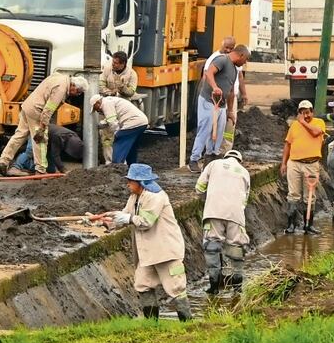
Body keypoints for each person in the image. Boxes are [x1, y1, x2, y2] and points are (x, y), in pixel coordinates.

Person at [106, 163, 192, 321]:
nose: (128, 184)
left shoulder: (155, 197)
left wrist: (128, 218)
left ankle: (187, 324)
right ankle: (151, 325)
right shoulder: (135, 197)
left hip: (165, 251)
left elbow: (145, 221)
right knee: (143, 284)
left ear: (141, 182)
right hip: (147, 252)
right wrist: (106, 221)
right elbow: (125, 214)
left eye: (131, 181)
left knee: (175, 288)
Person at [0, 73, 87, 175]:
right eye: (78, 92)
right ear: (74, 85)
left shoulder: (59, 77)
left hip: (28, 106)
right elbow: (48, 109)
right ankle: (41, 170)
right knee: (41, 140)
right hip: (36, 111)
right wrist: (43, 126)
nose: (77, 95)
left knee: (19, 135)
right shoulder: (61, 89)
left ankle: (3, 161)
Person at [195, 149, 250, 294]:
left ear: (225, 157)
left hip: (213, 211)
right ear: (239, 160)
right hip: (235, 214)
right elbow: (245, 200)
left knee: (212, 246)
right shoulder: (244, 172)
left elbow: (199, 188)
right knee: (236, 248)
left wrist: (206, 198)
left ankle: (214, 287)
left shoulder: (214, 164)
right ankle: (237, 288)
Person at [189, 44, 250, 172]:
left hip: (222, 105)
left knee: (218, 133)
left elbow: (232, 92)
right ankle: (194, 160)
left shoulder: (234, 70)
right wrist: (215, 87)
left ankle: (211, 158)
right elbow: (209, 73)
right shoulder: (222, 60)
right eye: (245, 60)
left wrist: (230, 111)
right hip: (209, 100)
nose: (245, 63)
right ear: (241, 55)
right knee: (205, 129)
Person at [280, 99, 326, 235]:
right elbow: (287, 144)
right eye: (302, 113)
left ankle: (308, 225)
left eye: (308, 113)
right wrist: (283, 163)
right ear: (299, 113)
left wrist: (303, 122)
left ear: (312, 112)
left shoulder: (319, 123)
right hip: (294, 163)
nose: (306, 116)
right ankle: (291, 225)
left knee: (309, 196)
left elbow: (316, 132)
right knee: (293, 194)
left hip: (311, 164)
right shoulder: (294, 126)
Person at [204, 37, 249, 154]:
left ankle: (225, 150)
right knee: (215, 125)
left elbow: (239, 77)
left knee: (229, 126)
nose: (228, 50)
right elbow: (207, 75)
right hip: (217, 99)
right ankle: (212, 150)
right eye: (226, 47)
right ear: (222, 45)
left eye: (231, 48)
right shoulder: (215, 59)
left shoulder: (235, 62)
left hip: (231, 98)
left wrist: (244, 93)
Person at [98, 51, 138, 163]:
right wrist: (110, 93)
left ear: (123, 64)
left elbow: (131, 92)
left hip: (122, 110)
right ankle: (109, 161)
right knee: (106, 136)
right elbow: (100, 85)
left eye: (116, 63)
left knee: (121, 134)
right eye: (113, 62)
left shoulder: (132, 74)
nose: (113, 65)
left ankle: (121, 161)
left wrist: (123, 88)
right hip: (107, 107)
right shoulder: (107, 69)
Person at [90, 94, 149, 165]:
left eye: (95, 108)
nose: (96, 110)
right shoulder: (111, 100)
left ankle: (117, 166)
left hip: (133, 122)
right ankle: (131, 166)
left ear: (98, 103)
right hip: (142, 122)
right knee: (131, 147)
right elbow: (112, 117)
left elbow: (112, 122)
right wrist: (102, 124)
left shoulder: (106, 104)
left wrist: (117, 134)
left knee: (119, 139)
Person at [10, 124, 83, 175]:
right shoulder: (59, 136)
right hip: (39, 132)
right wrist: (63, 169)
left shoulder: (72, 136)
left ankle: (31, 167)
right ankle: (15, 167)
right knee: (30, 151)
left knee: (51, 170)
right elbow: (55, 155)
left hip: (47, 142)